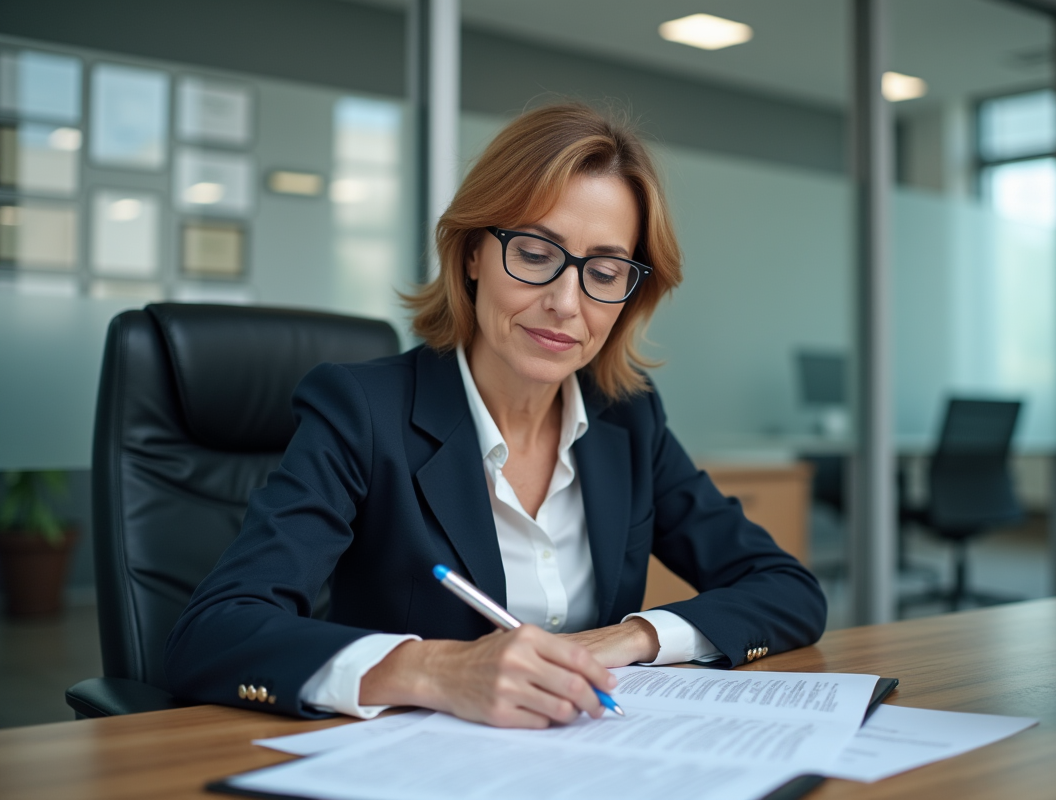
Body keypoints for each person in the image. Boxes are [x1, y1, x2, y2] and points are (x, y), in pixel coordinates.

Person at [165, 102, 827, 729]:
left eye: (604, 271)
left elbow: (786, 588)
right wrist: (436, 670)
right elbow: (215, 630)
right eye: (536, 254)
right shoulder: (362, 412)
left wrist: (631, 637)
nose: (566, 303)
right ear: (473, 253)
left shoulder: (628, 420)